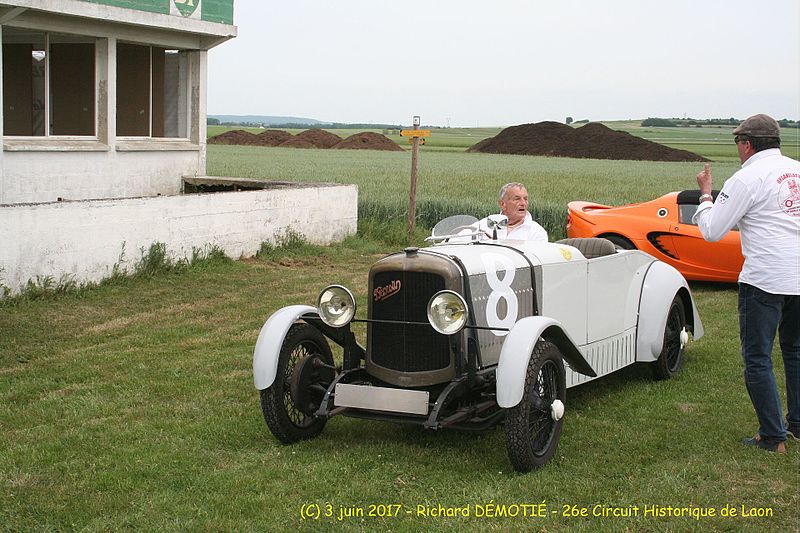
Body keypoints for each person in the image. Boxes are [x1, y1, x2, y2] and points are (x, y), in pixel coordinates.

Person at [693, 113, 800, 453]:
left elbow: (712, 231)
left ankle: (772, 437)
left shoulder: (746, 178)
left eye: (737, 143)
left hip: (766, 278)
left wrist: (706, 196)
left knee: (758, 358)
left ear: (746, 144)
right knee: (795, 352)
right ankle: (796, 424)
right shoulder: (796, 169)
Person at [473, 182, 548, 242]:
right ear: (502, 204)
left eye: (525, 199)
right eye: (517, 199)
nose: (523, 203)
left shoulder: (536, 232)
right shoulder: (483, 225)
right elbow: (462, 240)